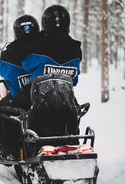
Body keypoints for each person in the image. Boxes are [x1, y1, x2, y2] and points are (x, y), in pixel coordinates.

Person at [0, 14, 41, 161]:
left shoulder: (11, 51)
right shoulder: (45, 46)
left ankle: (9, 150)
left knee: (1, 111)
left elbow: (2, 69)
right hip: (47, 94)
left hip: (23, 97)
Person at [22, 5, 82, 139]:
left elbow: (26, 65)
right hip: (65, 102)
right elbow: (75, 79)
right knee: (75, 109)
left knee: (9, 110)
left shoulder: (37, 46)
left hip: (39, 102)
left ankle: (15, 148)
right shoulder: (76, 48)